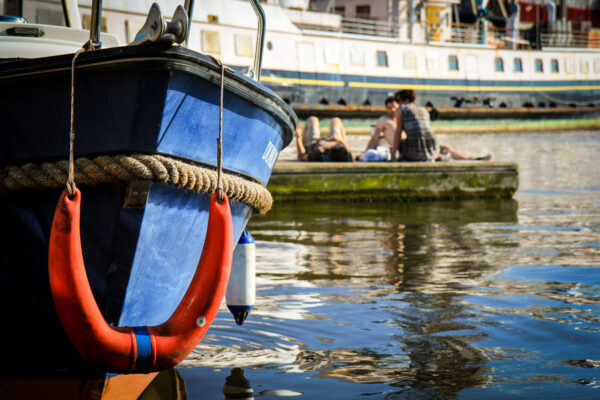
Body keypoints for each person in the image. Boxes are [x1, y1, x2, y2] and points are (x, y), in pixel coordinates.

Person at [391, 89, 491, 162]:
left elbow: (398, 132)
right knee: (445, 147)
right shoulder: (423, 110)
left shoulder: (400, 110)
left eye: (398, 101)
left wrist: (393, 156)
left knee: (404, 143)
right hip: (432, 143)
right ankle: (470, 159)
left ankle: (438, 157)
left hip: (416, 148)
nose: (397, 104)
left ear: (405, 100)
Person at [358, 96, 397, 162]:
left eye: (394, 107)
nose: (392, 110)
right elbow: (374, 137)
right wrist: (366, 151)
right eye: (390, 108)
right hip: (393, 149)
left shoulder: (402, 119)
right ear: (386, 108)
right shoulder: (383, 120)